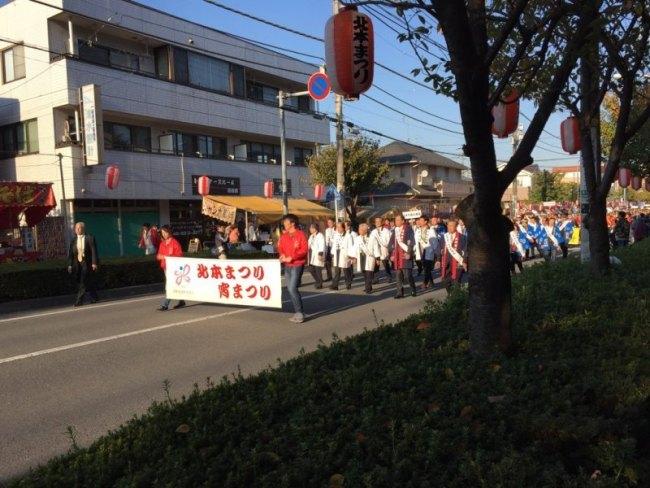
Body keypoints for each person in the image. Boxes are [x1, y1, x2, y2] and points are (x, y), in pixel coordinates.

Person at [278, 214, 308, 323]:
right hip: (287, 266)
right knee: (291, 289)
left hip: (297, 264)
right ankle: (298, 312)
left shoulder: (300, 235)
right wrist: (282, 255)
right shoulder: (284, 236)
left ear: (292, 223)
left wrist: (292, 257)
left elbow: (304, 250)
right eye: (284, 223)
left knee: (292, 288)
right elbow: (280, 248)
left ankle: (300, 313)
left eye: (286, 222)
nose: (284, 224)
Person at [67, 221, 99, 306]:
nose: (77, 229)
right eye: (76, 228)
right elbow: (70, 253)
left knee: (83, 281)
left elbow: (93, 251)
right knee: (87, 280)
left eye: (79, 228)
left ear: (83, 229)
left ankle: (79, 301)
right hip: (77, 263)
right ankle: (94, 297)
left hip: (87, 263)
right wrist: (70, 265)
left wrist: (94, 263)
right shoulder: (73, 240)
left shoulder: (90, 238)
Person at [156, 225, 185, 311]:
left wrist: (169, 256)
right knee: (174, 284)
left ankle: (165, 304)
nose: (164, 234)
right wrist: (166, 256)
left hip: (174, 268)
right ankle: (181, 301)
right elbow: (158, 256)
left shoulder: (175, 243)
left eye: (165, 232)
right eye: (162, 233)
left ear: (169, 232)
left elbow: (180, 255)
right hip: (166, 267)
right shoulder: (162, 244)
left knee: (170, 285)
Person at [390, 214, 416, 298]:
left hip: (405, 255)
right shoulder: (395, 230)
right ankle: (399, 293)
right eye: (395, 220)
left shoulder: (408, 229)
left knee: (408, 275)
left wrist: (409, 253)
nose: (396, 222)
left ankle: (413, 289)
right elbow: (391, 243)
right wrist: (391, 254)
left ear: (402, 221)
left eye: (398, 220)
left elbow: (411, 242)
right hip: (397, 256)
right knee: (398, 275)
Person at [352, 223, 380, 293]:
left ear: (365, 230)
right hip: (361, 257)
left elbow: (376, 248)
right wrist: (354, 258)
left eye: (360, 230)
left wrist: (377, 258)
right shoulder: (358, 238)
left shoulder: (372, 237)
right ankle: (368, 286)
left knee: (369, 273)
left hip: (370, 258)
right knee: (364, 273)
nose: (359, 231)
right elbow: (355, 248)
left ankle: (368, 289)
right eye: (359, 229)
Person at [441, 219, 467, 294]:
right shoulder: (444, 237)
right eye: (448, 225)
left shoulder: (462, 237)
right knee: (445, 281)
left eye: (452, 226)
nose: (449, 227)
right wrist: (438, 260)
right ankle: (450, 295)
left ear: (456, 227)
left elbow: (465, 250)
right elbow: (441, 249)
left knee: (456, 282)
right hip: (446, 263)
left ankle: (456, 299)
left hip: (458, 262)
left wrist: (464, 261)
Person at [414, 215, 439, 289]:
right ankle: (431, 283)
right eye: (419, 220)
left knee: (427, 268)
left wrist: (432, 251)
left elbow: (435, 242)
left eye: (421, 220)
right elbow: (416, 241)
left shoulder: (431, 230)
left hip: (429, 251)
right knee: (426, 268)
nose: (420, 222)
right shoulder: (418, 230)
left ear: (425, 221)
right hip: (421, 251)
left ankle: (425, 283)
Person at [330, 221, 354, 290]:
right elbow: (334, 245)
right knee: (337, 271)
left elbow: (350, 246)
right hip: (337, 254)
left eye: (340, 227)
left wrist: (350, 256)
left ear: (343, 228)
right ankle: (335, 285)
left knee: (346, 271)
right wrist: (332, 253)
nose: (338, 229)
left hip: (344, 255)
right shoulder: (336, 235)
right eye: (337, 227)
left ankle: (348, 284)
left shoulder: (348, 236)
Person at [370, 217, 393, 283]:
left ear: (382, 222)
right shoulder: (373, 232)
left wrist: (382, 242)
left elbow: (389, 241)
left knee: (386, 264)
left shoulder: (386, 231)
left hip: (384, 250)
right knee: (376, 265)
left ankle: (389, 277)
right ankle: (376, 279)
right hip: (376, 251)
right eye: (376, 221)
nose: (377, 223)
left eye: (379, 221)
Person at [307, 222, 326, 289]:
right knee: (311, 269)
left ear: (315, 229)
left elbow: (322, 245)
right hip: (312, 255)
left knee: (318, 270)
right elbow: (308, 245)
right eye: (310, 228)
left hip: (318, 255)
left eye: (311, 228)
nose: (310, 229)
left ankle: (319, 284)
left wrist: (320, 254)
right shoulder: (311, 236)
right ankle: (318, 281)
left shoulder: (320, 235)